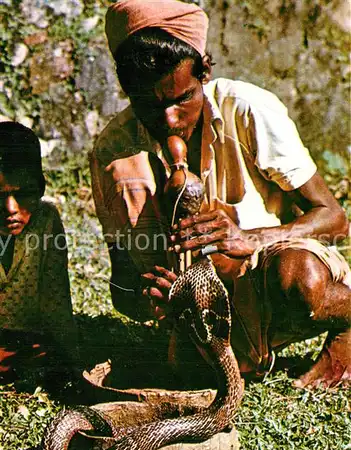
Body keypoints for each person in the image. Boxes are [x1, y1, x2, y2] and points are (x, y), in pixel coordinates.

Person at [90, 0, 351, 389]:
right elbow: (122, 289)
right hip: (200, 303)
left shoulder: (247, 110)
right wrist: (148, 299)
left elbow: (334, 219)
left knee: (301, 279)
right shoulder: (113, 153)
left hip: (272, 272)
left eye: (183, 99)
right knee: (191, 373)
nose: (170, 121)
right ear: (128, 92)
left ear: (204, 73)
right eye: (150, 105)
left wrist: (251, 239)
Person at [0, 121, 76, 389]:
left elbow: (57, 300)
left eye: (24, 195)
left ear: (41, 188)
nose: (11, 208)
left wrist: (71, 362)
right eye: (0, 196)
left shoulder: (46, 221)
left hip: (27, 344)